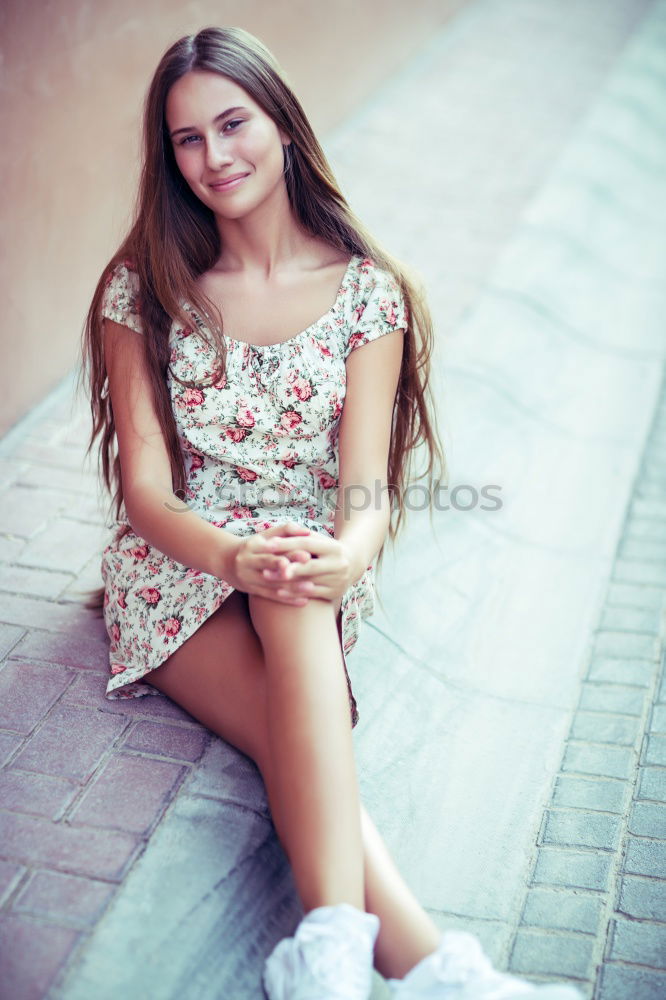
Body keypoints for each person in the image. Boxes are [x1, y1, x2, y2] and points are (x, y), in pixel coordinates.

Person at [81, 25, 583, 1000]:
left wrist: (349, 555)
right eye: (188, 139)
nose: (216, 156)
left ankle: (335, 959)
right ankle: (436, 972)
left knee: (297, 588)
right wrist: (232, 553)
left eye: (234, 124)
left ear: (282, 126)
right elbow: (144, 490)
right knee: (293, 728)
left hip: (303, 567)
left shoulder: (368, 296)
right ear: (168, 157)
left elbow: (364, 492)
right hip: (178, 563)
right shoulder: (140, 286)